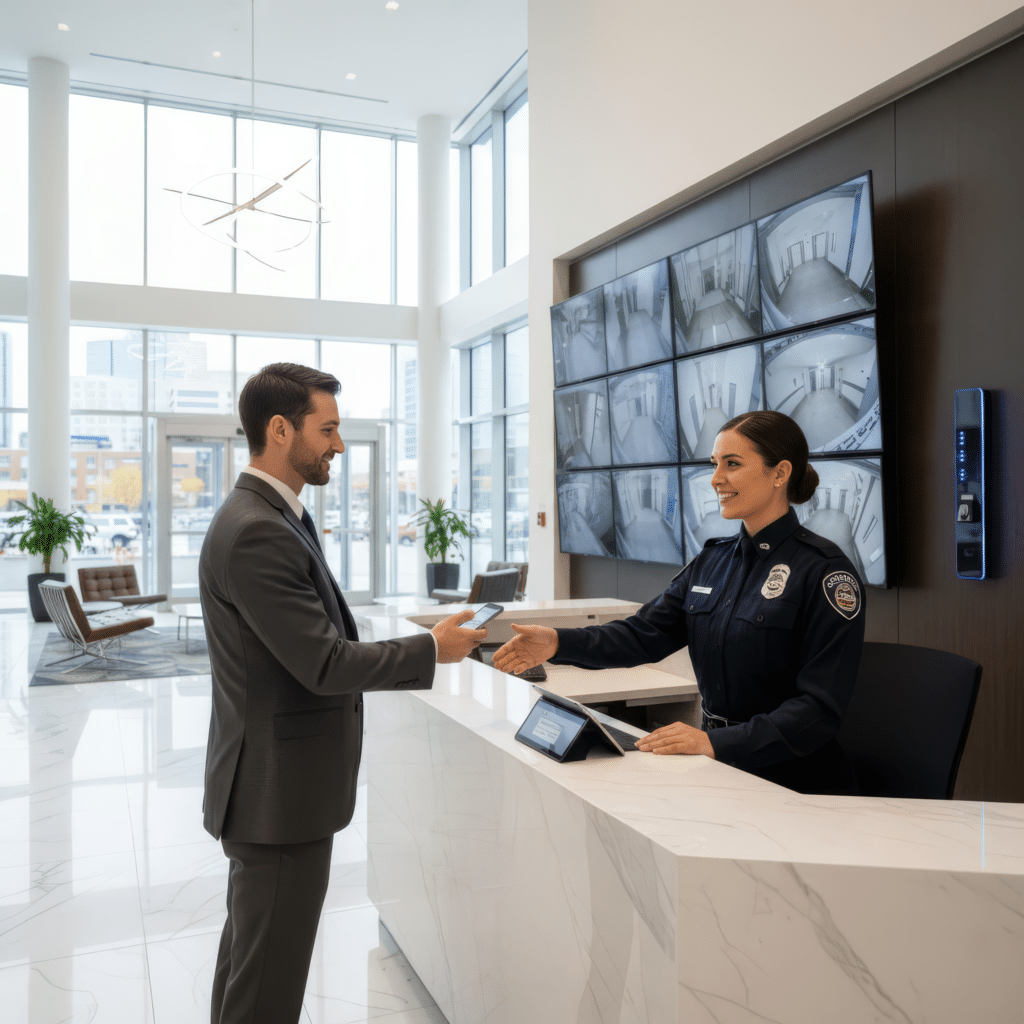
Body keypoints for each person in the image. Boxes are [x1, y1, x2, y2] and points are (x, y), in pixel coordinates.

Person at [200, 362, 486, 1024]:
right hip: (278, 797)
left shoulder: (269, 515)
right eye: (326, 429)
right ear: (280, 429)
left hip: (274, 792)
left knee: (250, 967)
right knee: (266, 983)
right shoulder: (258, 530)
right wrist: (430, 649)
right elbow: (322, 664)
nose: (338, 445)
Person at [493, 410, 865, 795]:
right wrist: (557, 642)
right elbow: (641, 635)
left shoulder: (824, 572)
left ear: (779, 473)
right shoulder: (712, 561)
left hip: (794, 783)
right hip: (717, 773)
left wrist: (715, 743)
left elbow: (817, 710)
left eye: (732, 464)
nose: (716, 479)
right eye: (715, 464)